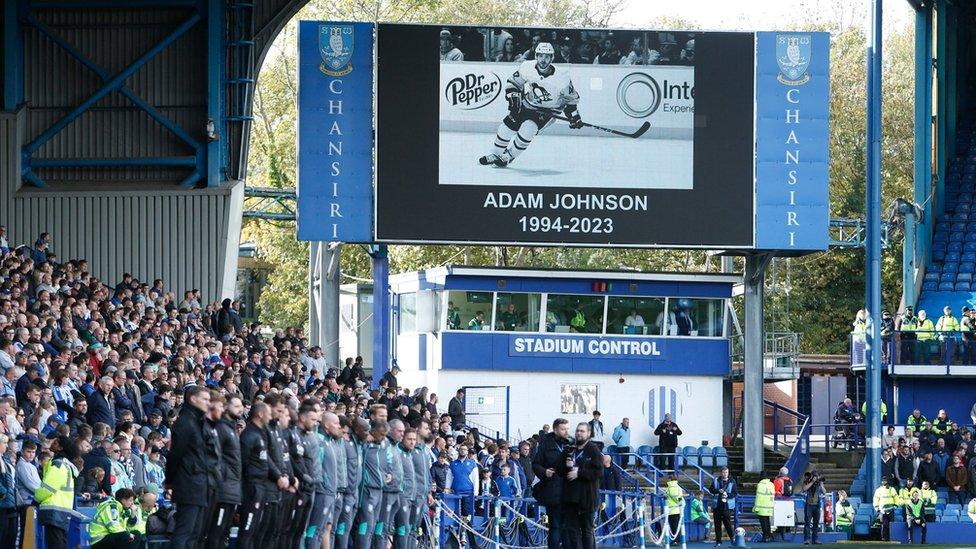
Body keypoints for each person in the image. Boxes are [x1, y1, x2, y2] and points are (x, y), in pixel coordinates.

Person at [478, 42, 582, 168]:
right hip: (527, 104)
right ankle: (496, 154)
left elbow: (570, 99)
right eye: (541, 56)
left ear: (552, 58)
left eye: (547, 56)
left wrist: (574, 116)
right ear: (536, 56)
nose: (543, 60)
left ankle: (509, 156)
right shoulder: (527, 67)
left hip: (548, 111)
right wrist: (513, 96)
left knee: (528, 129)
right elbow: (514, 83)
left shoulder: (562, 77)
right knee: (506, 128)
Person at [166, 385, 217, 549]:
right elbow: (175, 454)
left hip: (199, 483)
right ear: (193, 399)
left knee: (195, 533)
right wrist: (170, 481)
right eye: (205, 399)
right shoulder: (185, 422)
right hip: (188, 483)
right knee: (184, 532)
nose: (208, 403)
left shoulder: (198, 421)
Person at [204, 394, 242, 549]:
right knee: (216, 532)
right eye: (237, 406)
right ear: (226, 407)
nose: (240, 410)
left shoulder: (231, 427)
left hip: (232, 488)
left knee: (223, 533)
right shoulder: (221, 428)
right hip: (223, 488)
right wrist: (222, 479)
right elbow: (215, 457)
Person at [35, 436, 81, 549]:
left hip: (54, 510)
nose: (52, 443)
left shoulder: (58, 465)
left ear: (60, 448)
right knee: (60, 543)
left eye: (55, 442)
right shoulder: (66, 465)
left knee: (55, 544)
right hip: (63, 510)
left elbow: (47, 488)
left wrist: (36, 499)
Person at [563, 422, 603, 549]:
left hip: (587, 498)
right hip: (572, 498)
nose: (579, 433)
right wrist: (567, 466)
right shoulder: (572, 449)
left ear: (589, 433)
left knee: (587, 531)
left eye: (582, 431)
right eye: (577, 431)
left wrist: (579, 473)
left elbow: (599, 472)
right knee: (573, 531)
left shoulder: (593, 449)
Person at [532, 418, 570, 549]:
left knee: (569, 528)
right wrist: (545, 472)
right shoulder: (545, 445)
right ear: (555, 430)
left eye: (567, 429)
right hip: (552, 490)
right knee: (555, 526)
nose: (566, 431)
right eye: (563, 429)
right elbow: (536, 464)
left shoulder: (571, 444)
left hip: (570, 492)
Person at [708, 467, 736, 547]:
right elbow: (711, 489)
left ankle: (732, 538)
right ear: (721, 473)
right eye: (723, 472)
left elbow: (735, 493)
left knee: (728, 523)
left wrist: (728, 495)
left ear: (728, 472)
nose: (725, 474)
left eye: (726, 472)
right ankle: (718, 541)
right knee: (717, 524)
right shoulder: (716, 480)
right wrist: (717, 490)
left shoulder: (732, 481)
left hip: (727, 506)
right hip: (717, 505)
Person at [800, 471, 825, 545]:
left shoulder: (818, 484)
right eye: (814, 476)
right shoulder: (807, 482)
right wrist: (812, 482)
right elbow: (804, 489)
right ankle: (806, 539)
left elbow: (824, 491)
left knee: (816, 524)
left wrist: (821, 484)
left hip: (817, 505)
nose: (816, 478)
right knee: (807, 523)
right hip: (809, 505)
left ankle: (815, 539)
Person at [0, 434, 16, 549]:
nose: (7, 446)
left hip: (7, 502)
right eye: (4, 443)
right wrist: (3, 492)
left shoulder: (4, 459)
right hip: (2, 501)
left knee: (7, 534)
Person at [874, 476, 898, 542]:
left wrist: (896, 505)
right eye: (883, 480)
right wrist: (877, 508)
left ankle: (891, 538)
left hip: (891, 510)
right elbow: (876, 499)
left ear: (887, 481)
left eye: (885, 480)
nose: (884, 482)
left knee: (891, 524)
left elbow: (896, 498)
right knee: (884, 525)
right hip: (882, 511)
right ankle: (884, 538)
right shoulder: (878, 490)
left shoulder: (892, 489)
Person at [664, 473, 687, 542]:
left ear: (670, 479)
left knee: (673, 526)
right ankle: (676, 540)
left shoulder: (671, 488)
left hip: (672, 509)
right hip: (676, 509)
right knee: (676, 526)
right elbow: (679, 498)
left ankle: (676, 540)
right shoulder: (678, 487)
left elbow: (674, 496)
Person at [752, 476, 774, 542]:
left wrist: (756, 507)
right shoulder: (771, 484)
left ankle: (765, 537)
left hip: (762, 508)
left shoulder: (760, 485)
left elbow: (759, 497)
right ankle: (769, 535)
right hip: (769, 507)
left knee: (763, 523)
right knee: (767, 522)